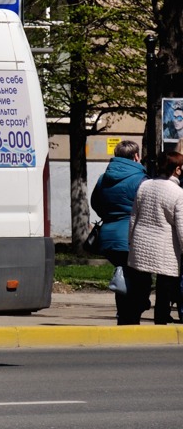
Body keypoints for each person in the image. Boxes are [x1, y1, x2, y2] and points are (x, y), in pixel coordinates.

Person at [89, 139, 147, 324]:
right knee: (139, 278)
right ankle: (133, 314)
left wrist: (110, 215)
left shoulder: (103, 178)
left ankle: (123, 314)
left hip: (108, 236)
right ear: (136, 156)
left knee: (122, 274)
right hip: (132, 236)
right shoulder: (140, 179)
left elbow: (95, 204)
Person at [125, 150, 183, 324]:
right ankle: (160, 319)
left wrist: (131, 240)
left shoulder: (145, 185)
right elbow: (181, 226)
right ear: (177, 170)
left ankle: (133, 319)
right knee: (164, 288)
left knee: (139, 287)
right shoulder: (178, 193)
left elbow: (134, 216)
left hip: (140, 242)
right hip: (165, 247)